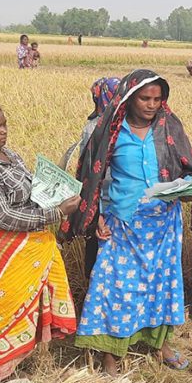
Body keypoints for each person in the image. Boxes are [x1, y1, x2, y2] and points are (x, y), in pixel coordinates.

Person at [62, 69, 192, 375]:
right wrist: (96, 217)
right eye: (144, 98)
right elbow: (90, 177)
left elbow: (189, 167)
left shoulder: (169, 127)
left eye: (157, 98)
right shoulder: (109, 130)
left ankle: (160, 345)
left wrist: (189, 187)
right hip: (121, 224)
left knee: (161, 286)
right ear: (128, 97)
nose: (152, 104)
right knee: (115, 289)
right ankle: (111, 356)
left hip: (164, 224)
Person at [0, 100, 80, 382]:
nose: (3, 132)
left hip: (31, 246)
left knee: (29, 308)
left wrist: (57, 191)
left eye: (4, 124)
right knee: (3, 312)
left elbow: (30, 192)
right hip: (3, 252)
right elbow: (6, 217)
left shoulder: (8, 155)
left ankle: (20, 369)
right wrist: (57, 212)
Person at [77, 77, 120, 278]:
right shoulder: (123, 125)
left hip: (96, 196)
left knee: (96, 249)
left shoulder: (92, 126)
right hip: (114, 197)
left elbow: (84, 165)